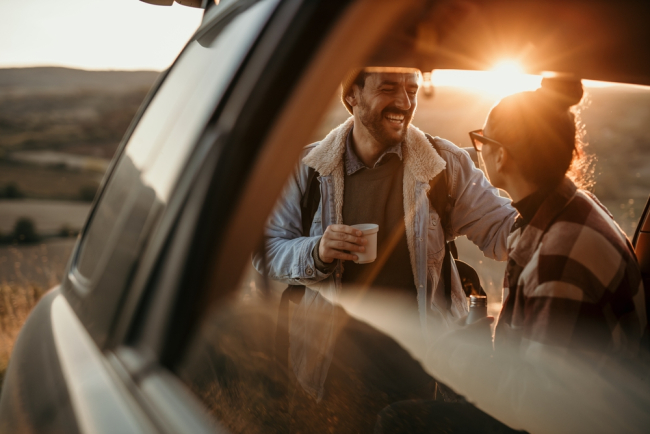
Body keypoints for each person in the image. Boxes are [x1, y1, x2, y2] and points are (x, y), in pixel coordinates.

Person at [253, 67, 515, 408]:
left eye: (412, 89)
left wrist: (562, 211)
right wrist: (316, 252)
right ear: (352, 96)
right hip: (328, 377)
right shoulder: (308, 168)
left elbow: (503, 231)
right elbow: (268, 250)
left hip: (424, 377)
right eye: (389, 88)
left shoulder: (443, 164)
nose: (404, 101)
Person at [423, 77, 650, 433]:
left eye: (481, 140)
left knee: (399, 419)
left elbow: (539, 407)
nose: (477, 150)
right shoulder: (570, 206)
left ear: (502, 154)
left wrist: (461, 358)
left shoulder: (560, 260)